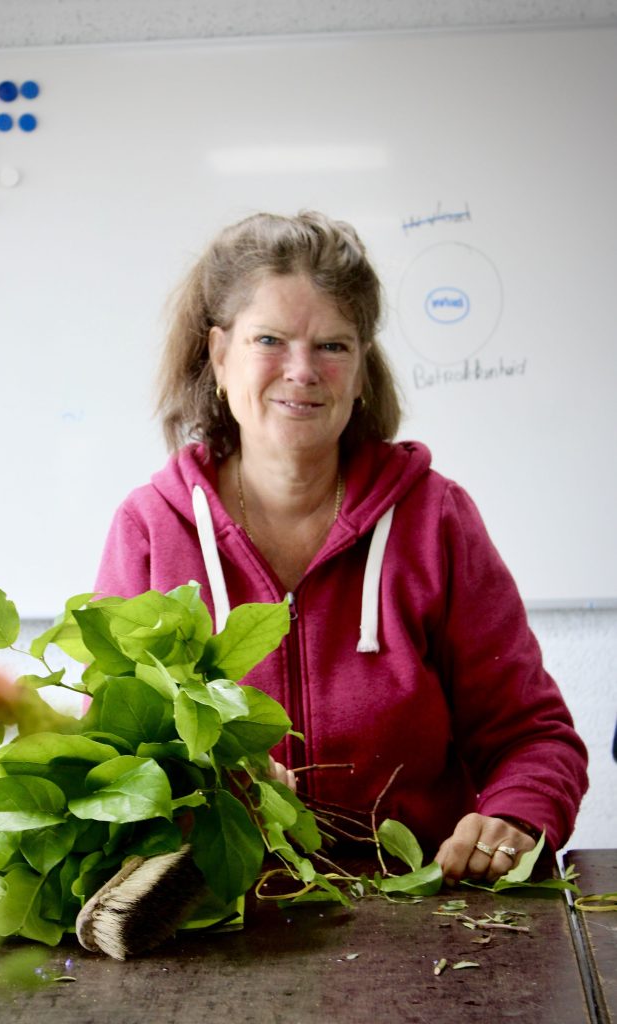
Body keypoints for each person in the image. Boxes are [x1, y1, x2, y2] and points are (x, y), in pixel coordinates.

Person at [95, 210, 588, 885]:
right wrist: (195, 785)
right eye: (270, 339)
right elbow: (112, 757)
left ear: (360, 371)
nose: (302, 371)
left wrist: (515, 818)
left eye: (332, 346)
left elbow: (533, 739)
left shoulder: (434, 519)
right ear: (217, 354)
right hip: (225, 922)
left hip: (425, 918)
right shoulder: (151, 527)